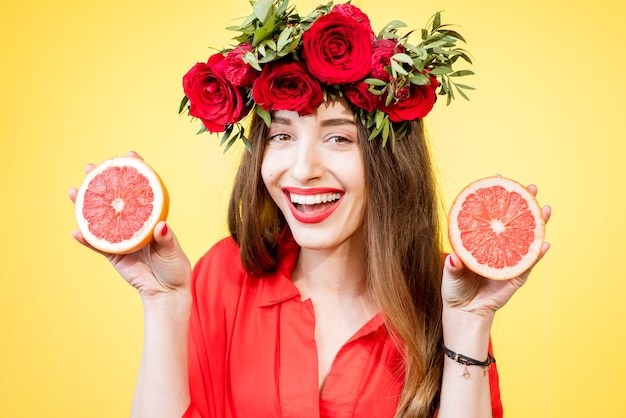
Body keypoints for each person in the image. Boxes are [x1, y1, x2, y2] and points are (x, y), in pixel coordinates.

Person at [69, 1, 551, 417]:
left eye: (338, 137)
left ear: (389, 160)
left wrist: (468, 326)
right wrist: (163, 304)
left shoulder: (445, 303)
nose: (302, 170)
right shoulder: (222, 277)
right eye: (281, 135)